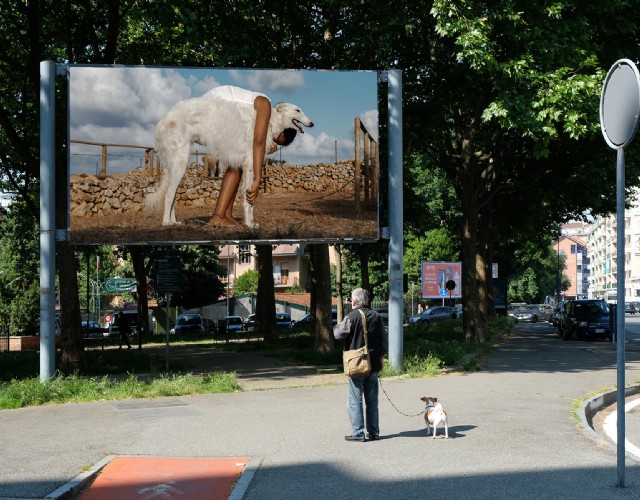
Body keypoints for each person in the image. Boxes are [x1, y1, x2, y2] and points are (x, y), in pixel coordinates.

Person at [204, 85, 298, 226]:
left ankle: (226, 214)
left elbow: (257, 143)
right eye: (277, 140)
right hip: (215, 107)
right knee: (236, 165)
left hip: (215, 107)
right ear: (282, 131)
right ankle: (218, 216)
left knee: (238, 164)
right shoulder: (266, 104)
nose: (273, 142)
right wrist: (257, 178)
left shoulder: (262, 111)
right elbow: (258, 143)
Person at [333, 288, 388, 442]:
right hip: (373, 364)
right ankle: (374, 432)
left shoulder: (352, 316)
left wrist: (338, 325)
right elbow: (384, 340)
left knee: (354, 400)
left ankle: (358, 433)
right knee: (372, 401)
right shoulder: (377, 316)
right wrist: (381, 358)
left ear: (355, 302)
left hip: (357, 364)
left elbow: (338, 335)